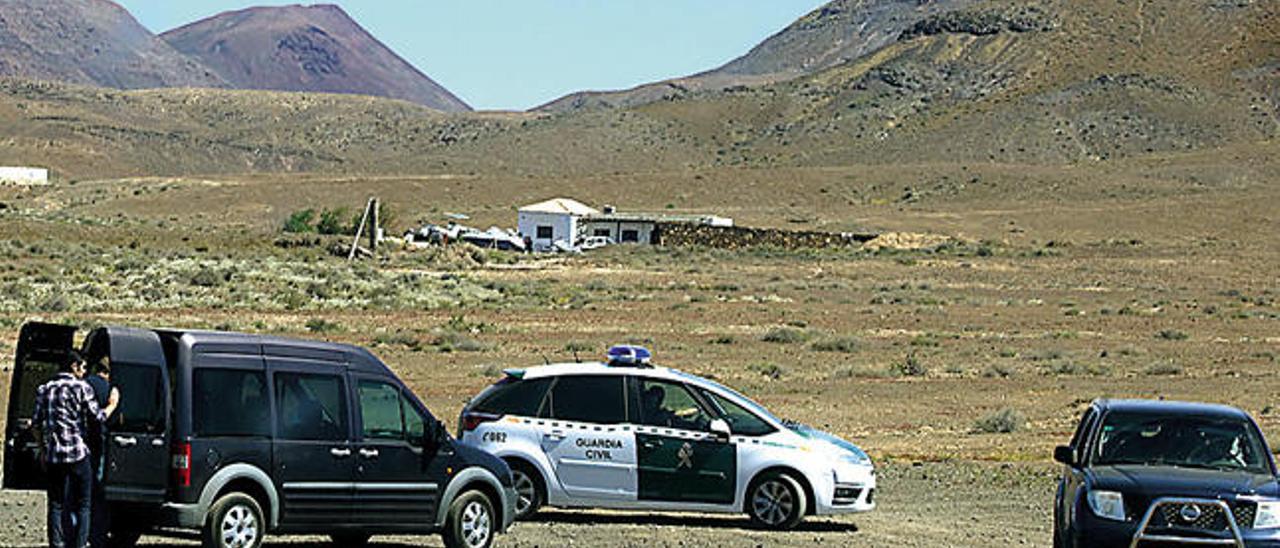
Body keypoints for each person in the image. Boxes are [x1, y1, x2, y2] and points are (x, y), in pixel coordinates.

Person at [33, 351, 118, 548]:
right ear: (74, 366)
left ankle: (57, 543)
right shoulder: (82, 388)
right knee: (84, 504)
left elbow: (35, 424)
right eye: (83, 367)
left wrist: (43, 450)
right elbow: (98, 417)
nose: (85, 371)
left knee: (55, 504)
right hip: (78, 454)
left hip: (54, 456)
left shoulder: (44, 389)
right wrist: (112, 404)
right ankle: (80, 544)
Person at [84, 357, 119, 548]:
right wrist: (113, 403)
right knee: (97, 493)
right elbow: (102, 417)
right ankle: (97, 536)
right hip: (99, 444)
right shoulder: (109, 389)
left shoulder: (83, 384)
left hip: (80, 445)